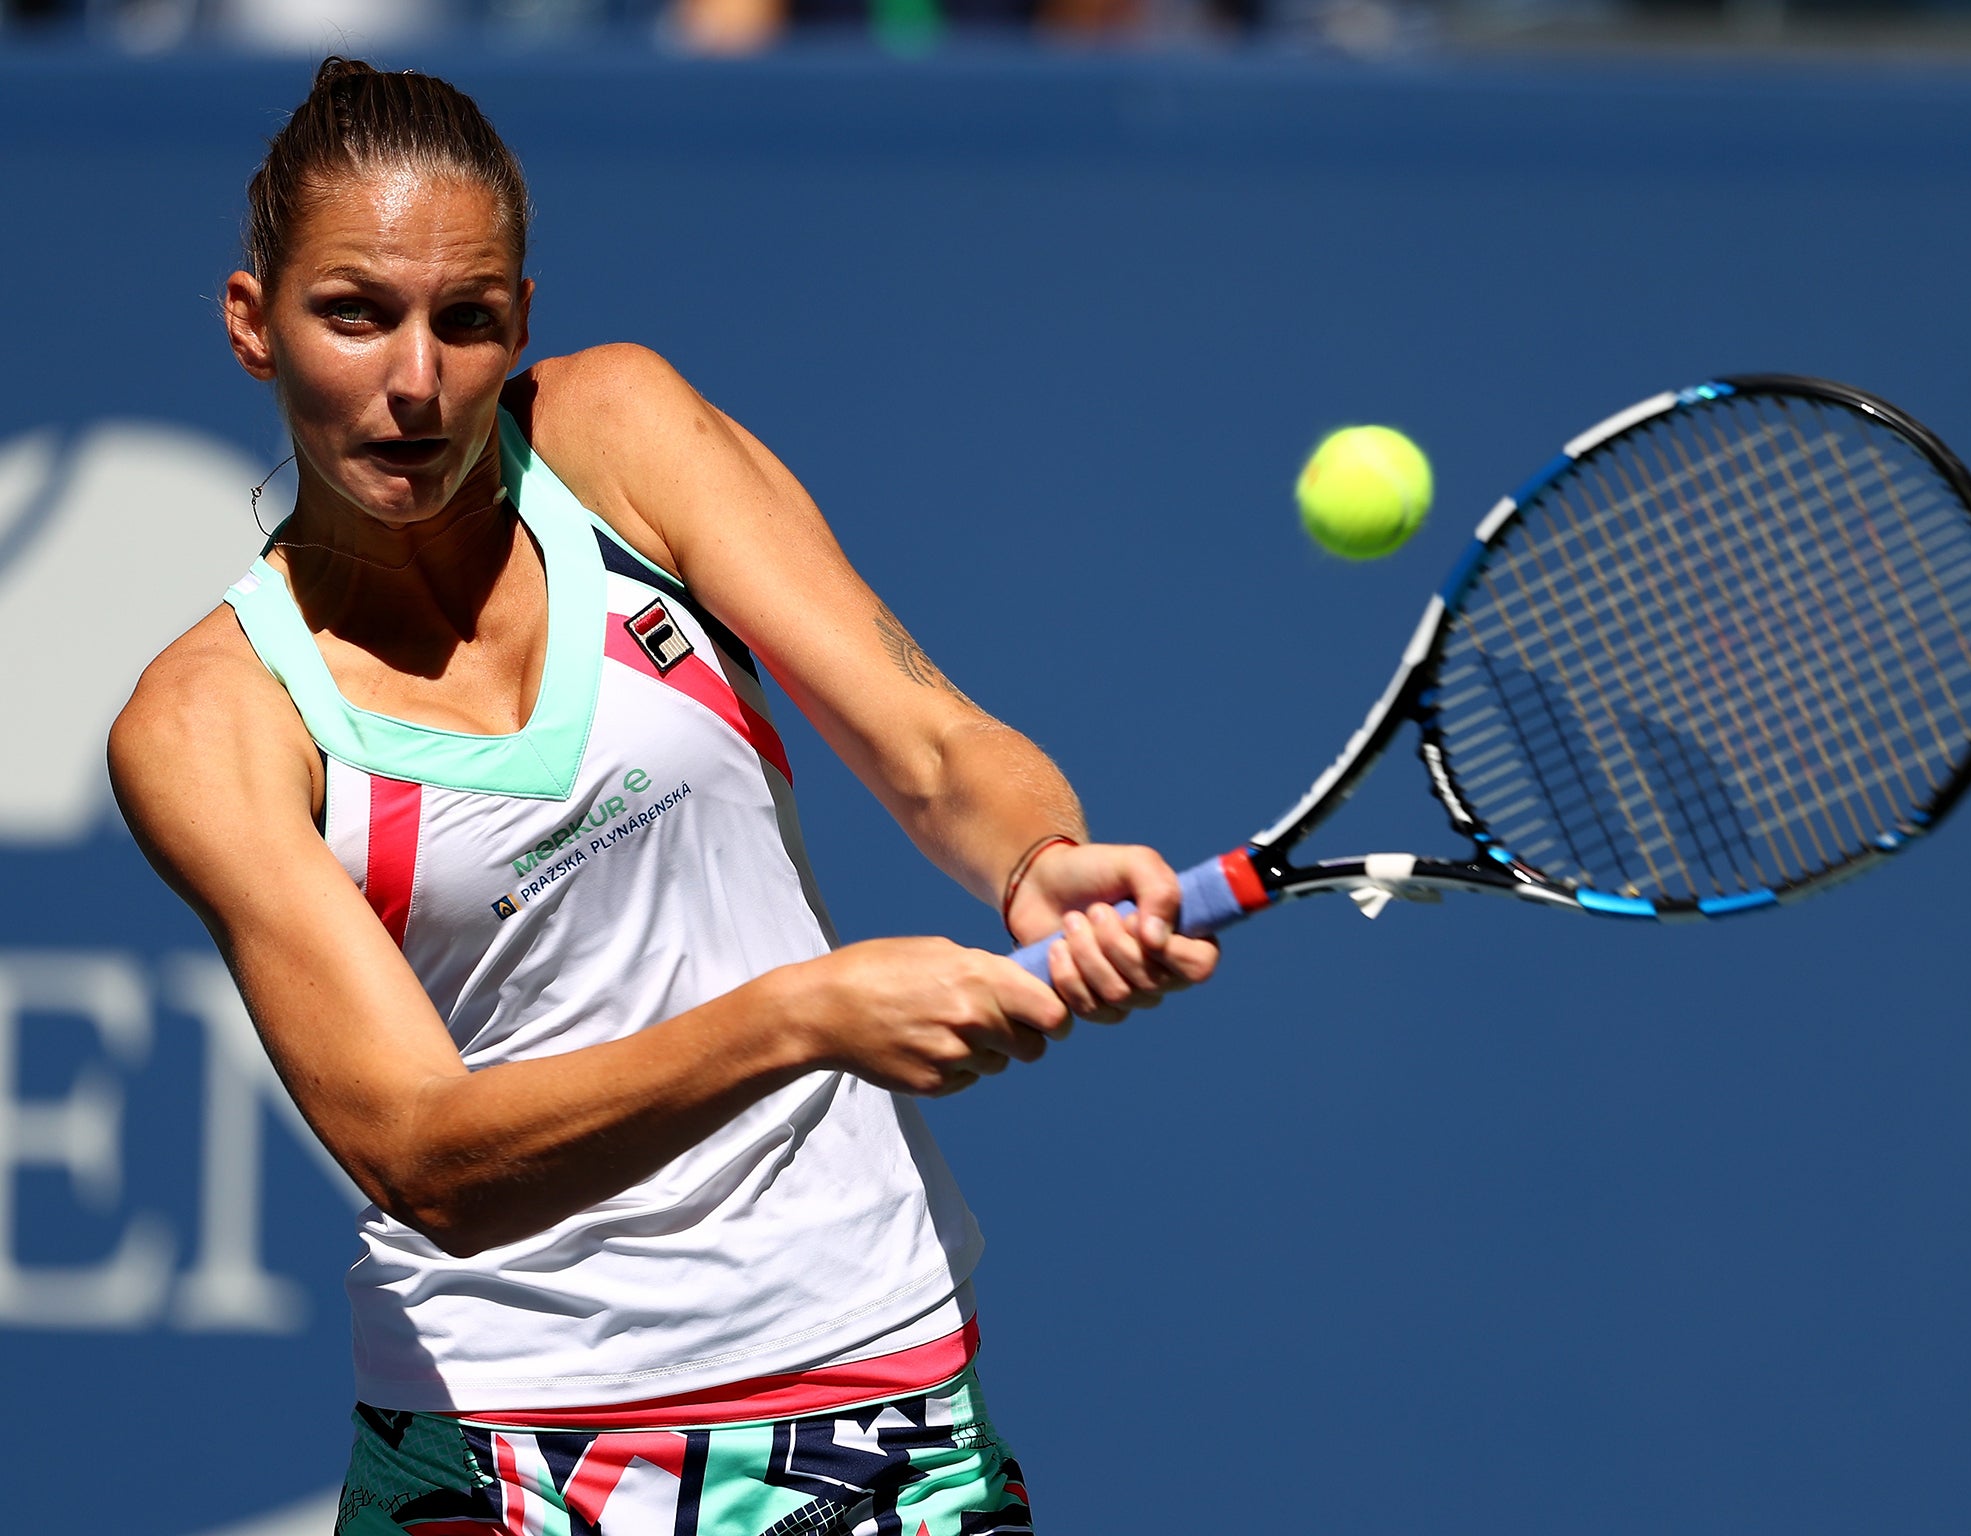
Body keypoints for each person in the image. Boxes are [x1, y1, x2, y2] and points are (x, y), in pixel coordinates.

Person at [109, 57, 1217, 1536]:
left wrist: (1035, 859)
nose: (417, 382)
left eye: (470, 319)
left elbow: (938, 743)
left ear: (524, 324)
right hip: (502, 1452)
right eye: (355, 313)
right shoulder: (210, 723)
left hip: (867, 1387)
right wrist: (804, 1015)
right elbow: (424, 1151)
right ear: (256, 323)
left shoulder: (618, 437)